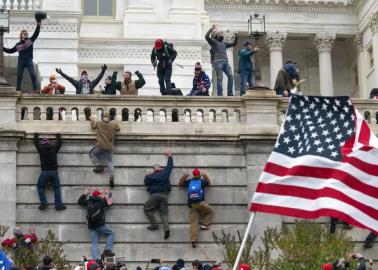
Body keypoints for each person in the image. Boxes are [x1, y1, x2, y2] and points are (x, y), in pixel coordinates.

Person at [3, 13, 43, 92]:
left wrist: (38, 23)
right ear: (21, 35)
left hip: (29, 61)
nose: (25, 35)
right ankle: (18, 89)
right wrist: (2, 48)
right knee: (19, 76)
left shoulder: (30, 41)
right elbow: (10, 51)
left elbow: (36, 33)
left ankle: (35, 89)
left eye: (26, 34)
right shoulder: (18, 45)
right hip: (21, 61)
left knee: (32, 75)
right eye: (24, 34)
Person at [179, 168, 214, 248]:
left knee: (193, 223)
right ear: (199, 174)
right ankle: (204, 225)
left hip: (192, 205)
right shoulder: (201, 181)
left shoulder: (189, 182)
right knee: (210, 211)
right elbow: (209, 183)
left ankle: (193, 240)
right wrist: (205, 176)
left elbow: (181, 184)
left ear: (193, 174)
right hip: (200, 203)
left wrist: (184, 177)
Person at [78, 188, 115, 260]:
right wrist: (109, 194)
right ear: (98, 196)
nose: (102, 195)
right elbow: (110, 202)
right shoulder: (101, 202)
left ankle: (96, 260)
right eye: (101, 194)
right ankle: (107, 250)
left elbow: (80, 201)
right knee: (111, 233)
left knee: (94, 243)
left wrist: (85, 194)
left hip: (91, 226)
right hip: (100, 225)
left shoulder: (89, 201)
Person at [144, 151, 173, 239]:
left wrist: (146, 175)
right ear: (160, 168)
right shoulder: (165, 173)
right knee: (164, 213)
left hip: (155, 195)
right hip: (164, 195)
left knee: (146, 209)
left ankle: (154, 224)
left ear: (154, 169)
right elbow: (170, 166)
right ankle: (167, 229)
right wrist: (170, 156)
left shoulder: (151, 176)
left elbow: (146, 183)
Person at [33, 133, 66, 211]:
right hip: (54, 172)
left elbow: (36, 142)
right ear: (50, 143)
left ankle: (43, 203)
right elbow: (59, 142)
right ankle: (58, 205)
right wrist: (58, 134)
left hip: (45, 172)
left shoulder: (41, 149)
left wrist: (36, 134)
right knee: (57, 188)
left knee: (40, 187)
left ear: (42, 143)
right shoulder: (53, 148)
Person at [205, 24, 238, 96]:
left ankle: (230, 93)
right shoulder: (214, 42)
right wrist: (211, 29)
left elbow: (234, 43)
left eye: (222, 33)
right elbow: (206, 37)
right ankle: (220, 94)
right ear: (216, 35)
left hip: (226, 62)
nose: (222, 34)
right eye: (220, 33)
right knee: (220, 78)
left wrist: (236, 36)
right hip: (218, 62)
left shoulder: (224, 43)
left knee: (230, 76)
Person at [89, 112, 120, 188]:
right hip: (109, 146)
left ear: (103, 117)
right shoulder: (114, 124)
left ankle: (99, 165)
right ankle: (111, 176)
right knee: (110, 162)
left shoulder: (99, 123)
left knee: (92, 153)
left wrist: (92, 119)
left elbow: (93, 127)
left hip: (100, 146)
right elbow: (118, 129)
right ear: (109, 117)